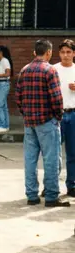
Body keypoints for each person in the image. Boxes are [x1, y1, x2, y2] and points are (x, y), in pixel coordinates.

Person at [15, 39, 70, 207]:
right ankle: (52, 196)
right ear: (49, 53)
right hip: (47, 121)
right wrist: (58, 116)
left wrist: (26, 114)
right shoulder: (50, 70)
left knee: (30, 159)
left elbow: (18, 98)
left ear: (34, 53)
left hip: (29, 122)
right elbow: (56, 98)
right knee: (51, 159)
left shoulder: (24, 70)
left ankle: (32, 195)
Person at [54, 40, 75, 198]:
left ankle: (72, 185)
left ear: (74, 53)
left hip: (74, 113)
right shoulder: (53, 69)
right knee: (53, 153)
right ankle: (51, 185)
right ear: (59, 53)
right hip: (57, 114)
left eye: (69, 52)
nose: (66, 55)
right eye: (63, 52)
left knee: (72, 153)